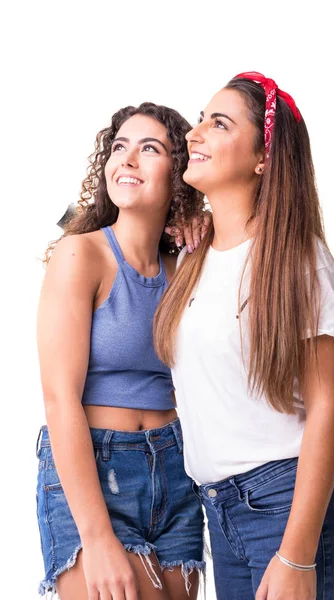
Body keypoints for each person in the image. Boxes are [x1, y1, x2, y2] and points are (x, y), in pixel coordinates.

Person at [155, 72, 334, 600]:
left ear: (263, 157)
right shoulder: (190, 255)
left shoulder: (297, 258)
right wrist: (180, 217)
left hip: (291, 509)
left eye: (218, 123)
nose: (195, 133)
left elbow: (328, 409)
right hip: (220, 512)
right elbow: (81, 226)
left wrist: (296, 553)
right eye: (200, 118)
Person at [36, 102, 207, 600]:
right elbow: (59, 399)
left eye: (148, 148)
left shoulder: (186, 268)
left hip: (178, 473)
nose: (126, 159)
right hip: (97, 470)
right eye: (118, 147)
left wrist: (203, 221)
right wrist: (96, 537)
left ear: (178, 173)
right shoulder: (80, 254)